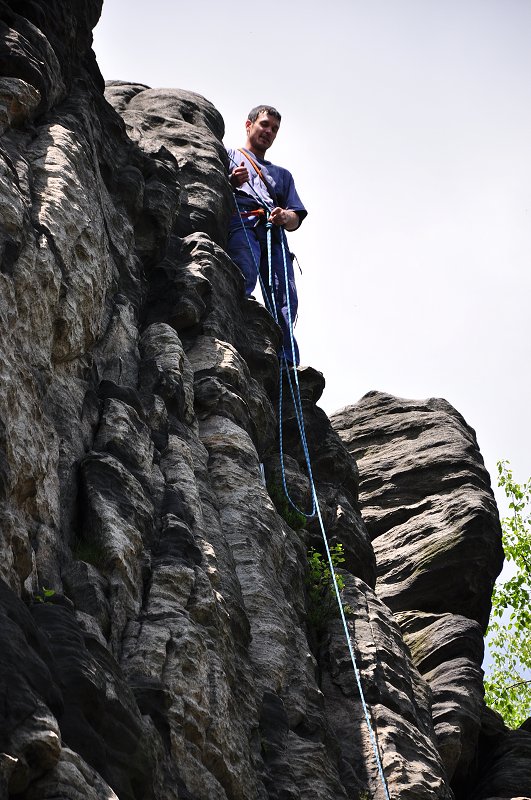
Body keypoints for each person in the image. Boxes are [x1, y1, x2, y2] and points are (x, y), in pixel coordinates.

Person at [226, 105, 307, 366]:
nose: (269, 132)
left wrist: (285, 217)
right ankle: (235, 332)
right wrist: (231, 182)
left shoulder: (283, 175)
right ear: (248, 125)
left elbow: (296, 218)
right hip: (242, 219)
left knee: (284, 296)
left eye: (274, 129)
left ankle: (286, 360)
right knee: (244, 271)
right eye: (264, 124)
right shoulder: (228, 155)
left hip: (272, 230)